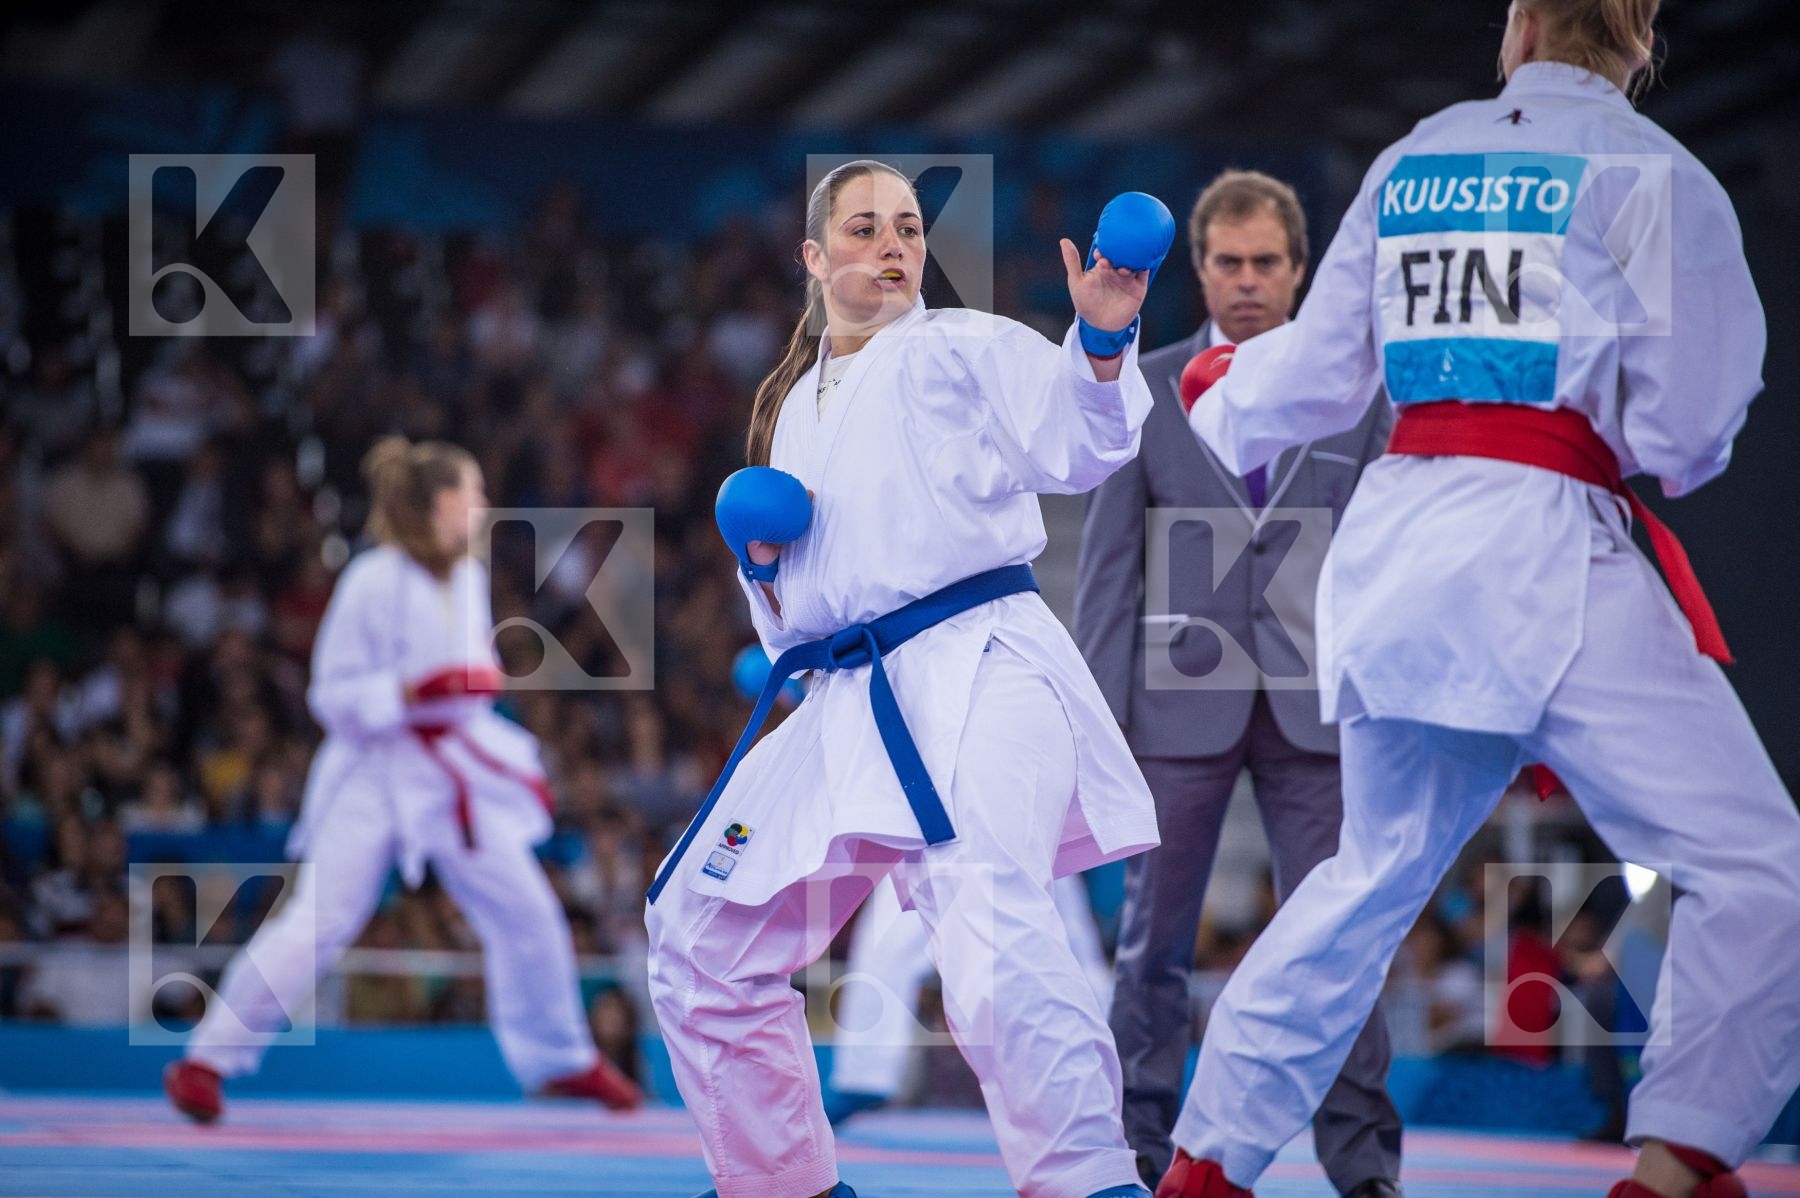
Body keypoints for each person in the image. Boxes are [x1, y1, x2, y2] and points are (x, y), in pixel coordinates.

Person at [1158, 3, 1798, 1197]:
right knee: (1758, 867)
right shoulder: (1648, 172)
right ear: (1640, 37)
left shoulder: (1418, 158)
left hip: (1399, 553)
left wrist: (1218, 388)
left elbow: (1308, 376)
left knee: (1372, 869)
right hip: (1544, 550)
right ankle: (1678, 1165)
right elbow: (1689, 425)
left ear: (1517, 29)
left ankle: (1206, 1163)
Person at [645, 159, 1163, 1198]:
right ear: (813, 256)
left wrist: (1101, 341)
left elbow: (1077, 443)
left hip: (977, 665)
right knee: (698, 930)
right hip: (848, 701)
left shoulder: (958, 345)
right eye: (865, 227)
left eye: (909, 228)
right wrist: (758, 573)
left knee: (986, 920)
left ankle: (1090, 1180)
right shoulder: (789, 407)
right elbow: (802, 612)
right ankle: (780, 1179)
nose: (892, 245)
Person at [1074, 170, 1400, 1196]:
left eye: (1267, 262)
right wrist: (1095, 723)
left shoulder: (1366, 389)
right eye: (1229, 262)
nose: (1249, 280)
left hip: (1324, 706)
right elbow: (1108, 569)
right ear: (1201, 270)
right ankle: (1134, 1155)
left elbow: (1396, 552)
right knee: (1151, 950)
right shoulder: (1147, 384)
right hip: (1177, 707)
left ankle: (1366, 1169)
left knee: (1344, 947)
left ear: (1301, 270)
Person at [163, 436, 639, 1123]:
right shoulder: (373, 578)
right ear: (439, 503)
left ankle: (560, 1060)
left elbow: (470, 674)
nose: (481, 505)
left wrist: (470, 683)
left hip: (452, 773)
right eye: (471, 493)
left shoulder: (466, 577)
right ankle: (207, 1059)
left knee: (528, 911)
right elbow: (330, 694)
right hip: (374, 770)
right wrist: (412, 692)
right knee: (322, 919)